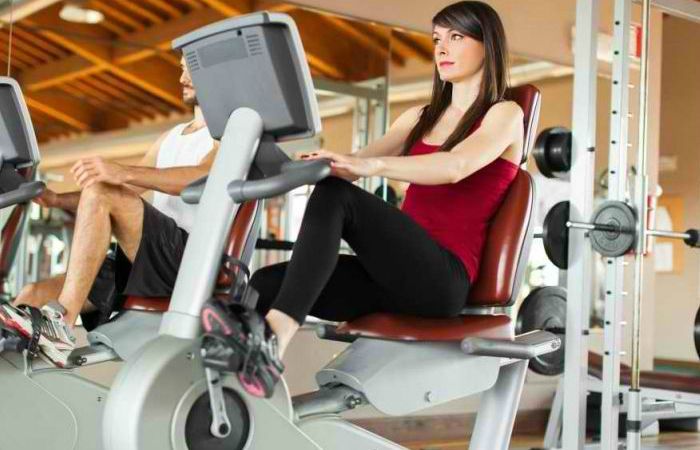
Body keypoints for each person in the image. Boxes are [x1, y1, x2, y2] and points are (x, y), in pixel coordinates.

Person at [205, 0, 525, 395]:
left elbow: (456, 166)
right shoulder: (417, 118)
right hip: (392, 276)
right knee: (265, 284)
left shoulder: (505, 114)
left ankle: (277, 339)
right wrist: (311, 161)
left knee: (338, 195)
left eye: (456, 37)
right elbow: (355, 161)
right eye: (437, 39)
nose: (441, 49)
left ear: (487, 45)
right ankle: (238, 394)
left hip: (442, 281)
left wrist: (368, 169)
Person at [0, 56, 218, 366]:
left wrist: (121, 172)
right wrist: (56, 200)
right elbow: (126, 192)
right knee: (31, 295)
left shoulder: (226, 134)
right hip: (146, 258)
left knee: (103, 189)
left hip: (187, 259)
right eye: (181, 66)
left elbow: (201, 176)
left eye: (191, 66)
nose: (182, 76)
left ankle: (61, 322)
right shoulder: (171, 137)